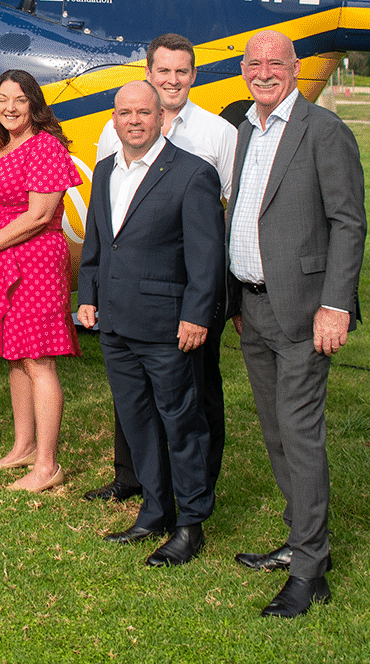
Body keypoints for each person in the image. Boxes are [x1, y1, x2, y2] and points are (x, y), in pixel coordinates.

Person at [225, 30, 367, 618]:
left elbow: (348, 223)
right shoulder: (244, 130)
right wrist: (234, 298)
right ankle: (301, 538)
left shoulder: (323, 131)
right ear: (242, 69)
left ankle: (311, 569)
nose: (265, 72)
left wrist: (336, 304)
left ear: (295, 67)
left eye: (275, 63)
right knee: (276, 433)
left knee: (300, 434)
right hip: (253, 309)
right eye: (254, 63)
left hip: (305, 311)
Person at [76, 81, 225, 568]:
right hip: (116, 324)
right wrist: (88, 298)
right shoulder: (105, 169)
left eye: (144, 112)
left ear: (162, 117)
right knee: (137, 423)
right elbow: (99, 245)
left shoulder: (192, 174)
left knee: (181, 425)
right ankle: (155, 511)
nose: (134, 120)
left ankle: (191, 524)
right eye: (124, 113)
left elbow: (206, 258)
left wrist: (197, 315)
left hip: (167, 327)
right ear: (114, 120)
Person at [86, 32, 239, 503]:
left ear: (193, 75)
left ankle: (195, 490)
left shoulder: (217, 135)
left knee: (195, 398)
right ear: (148, 75)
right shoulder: (113, 141)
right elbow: (107, 223)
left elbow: (224, 219)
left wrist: (206, 303)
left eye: (182, 71)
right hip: (129, 302)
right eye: (163, 71)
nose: (172, 79)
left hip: (185, 295)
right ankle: (136, 480)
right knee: (133, 401)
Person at [0, 69, 82, 494]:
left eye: (19, 100)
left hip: (35, 264)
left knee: (38, 360)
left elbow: (37, 216)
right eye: (1, 100)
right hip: (1, 263)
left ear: (34, 103)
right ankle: (24, 447)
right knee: (16, 357)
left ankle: (48, 465)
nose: (9, 108)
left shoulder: (45, 147)